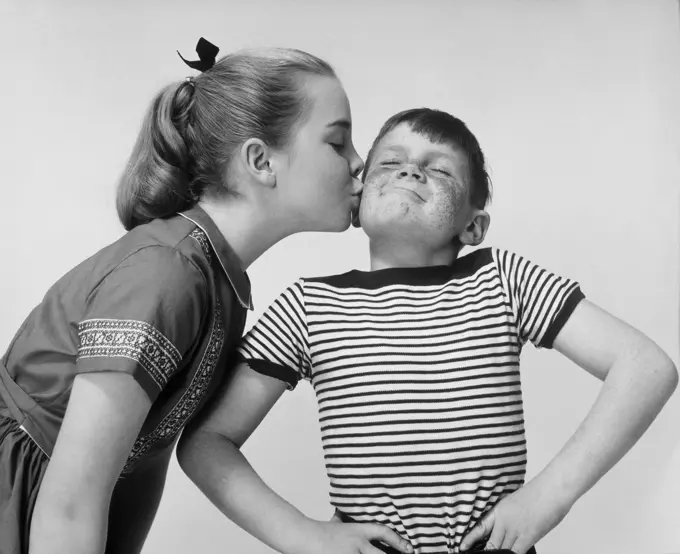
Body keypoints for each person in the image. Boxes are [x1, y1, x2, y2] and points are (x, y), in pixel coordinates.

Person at [177, 108, 678, 554]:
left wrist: (548, 498)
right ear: (357, 203)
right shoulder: (309, 305)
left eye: (438, 169)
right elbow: (206, 442)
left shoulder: (502, 279)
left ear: (473, 227)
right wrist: (303, 536)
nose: (410, 169)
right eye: (390, 163)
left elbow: (646, 367)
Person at [0, 37, 401, 554]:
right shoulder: (167, 275)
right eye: (337, 142)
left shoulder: (216, 280)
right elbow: (71, 502)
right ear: (261, 161)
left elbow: (144, 457)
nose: (359, 163)